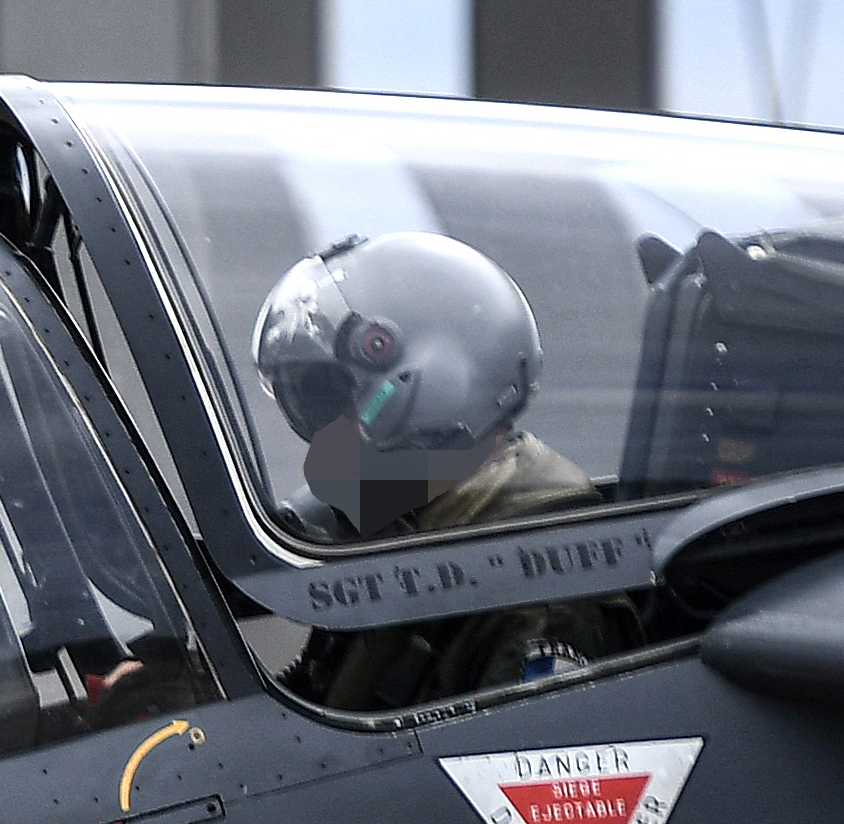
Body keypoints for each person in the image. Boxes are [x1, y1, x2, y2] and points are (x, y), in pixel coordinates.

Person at [250, 232, 623, 709]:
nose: (320, 445)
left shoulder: (538, 596)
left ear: (439, 387)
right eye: (307, 407)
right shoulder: (409, 531)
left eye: (330, 400)